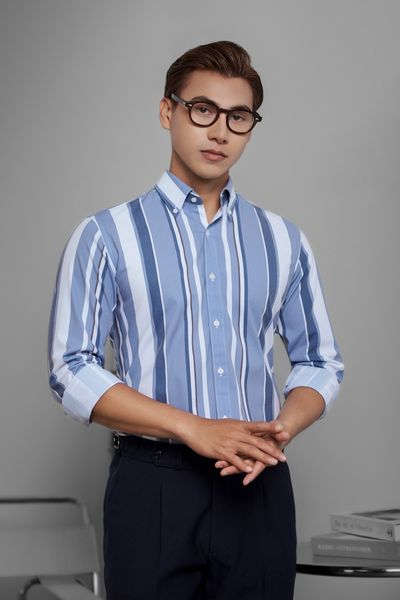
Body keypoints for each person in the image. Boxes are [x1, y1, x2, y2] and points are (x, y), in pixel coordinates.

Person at [48, 40, 344, 600]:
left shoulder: (284, 240)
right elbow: (71, 369)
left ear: (250, 127)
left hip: (257, 482)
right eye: (203, 110)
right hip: (153, 485)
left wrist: (282, 428)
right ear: (168, 112)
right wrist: (192, 427)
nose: (220, 132)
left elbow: (320, 362)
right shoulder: (106, 236)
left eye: (238, 117)